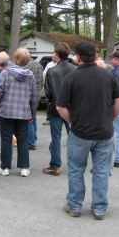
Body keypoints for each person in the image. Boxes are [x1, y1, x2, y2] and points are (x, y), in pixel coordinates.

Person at [56, 41, 119, 220]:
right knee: (101, 171)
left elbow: (60, 107)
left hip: (80, 132)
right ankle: (100, 208)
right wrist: (111, 120)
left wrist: (72, 121)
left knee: (76, 169)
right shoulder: (108, 75)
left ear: (78, 58)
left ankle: (75, 206)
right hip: (104, 132)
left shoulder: (71, 78)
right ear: (95, 56)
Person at [0, 48, 38, 177]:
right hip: (23, 113)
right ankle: (24, 168)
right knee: (23, 139)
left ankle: (5, 167)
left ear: (15, 58)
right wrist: (32, 114)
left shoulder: (6, 73)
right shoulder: (30, 75)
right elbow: (34, 97)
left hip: (6, 111)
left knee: (6, 139)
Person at [43, 42, 77, 176]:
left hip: (56, 108)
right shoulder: (75, 70)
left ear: (56, 54)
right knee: (73, 136)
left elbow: (48, 92)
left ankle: (55, 165)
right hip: (72, 108)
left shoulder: (52, 71)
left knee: (56, 138)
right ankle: (75, 164)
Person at [25, 58, 43, 150]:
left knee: (29, 119)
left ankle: (31, 142)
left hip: (30, 94)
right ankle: (34, 137)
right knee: (34, 117)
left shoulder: (27, 66)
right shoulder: (39, 65)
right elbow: (42, 80)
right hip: (38, 94)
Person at [43, 53, 60, 126]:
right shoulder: (49, 65)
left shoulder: (59, 65)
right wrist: (44, 86)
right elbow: (44, 75)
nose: (53, 58)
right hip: (50, 86)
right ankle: (48, 118)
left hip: (58, 87)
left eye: (55, 57)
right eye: (52, 57)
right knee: (49, 103)